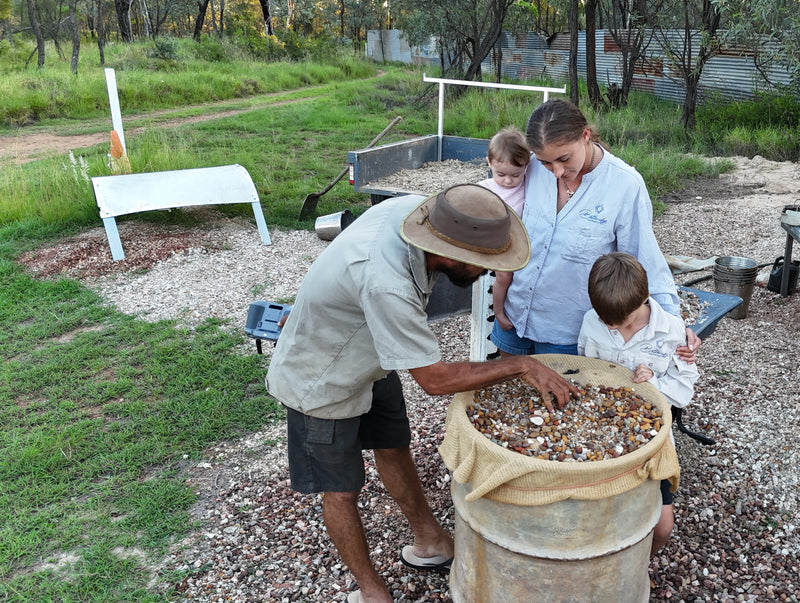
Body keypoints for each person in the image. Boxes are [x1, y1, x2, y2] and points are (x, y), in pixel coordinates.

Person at [265, 184, 581, 603]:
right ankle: (373, 592)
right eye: (483, 265)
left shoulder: (424, 212)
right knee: (340, 490)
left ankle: (430, 542)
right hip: (319, 374)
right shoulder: (387, 283)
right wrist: (520, 363)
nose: (489, 273)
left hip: (374, 354)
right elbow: (434, 381)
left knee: (394, 446)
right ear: (450, 255)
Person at [490, 98, 701, 359]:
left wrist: (674, 327)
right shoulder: (531, 167)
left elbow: (646, 263)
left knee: (556, 398)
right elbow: (497, 200)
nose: (555, 171)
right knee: (509, 393)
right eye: (546, 163)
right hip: (514, 314)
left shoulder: (625, 185)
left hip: (567, 331)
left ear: (585, 136)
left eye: (564, 159)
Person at [577, 252, 700, 556]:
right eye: (607, 323)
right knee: (598, 520)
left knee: (662, 527)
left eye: (623, 322)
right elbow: (583, 368)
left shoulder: (671, 332)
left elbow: (683, 391)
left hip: (653, 443)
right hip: (600, 438)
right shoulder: (592, 321)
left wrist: (652, 387)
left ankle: (639, 564)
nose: (614, 328)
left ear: (645, 298)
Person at [477, 127, 529, 336]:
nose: (508, 181)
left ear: (526, 166)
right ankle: (498, 311)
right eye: (501, 174)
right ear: (489, 163)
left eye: (515, 175)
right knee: (504, 278)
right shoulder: (486, 187)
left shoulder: (529, 185)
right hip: (500, 246)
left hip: (522, 244)